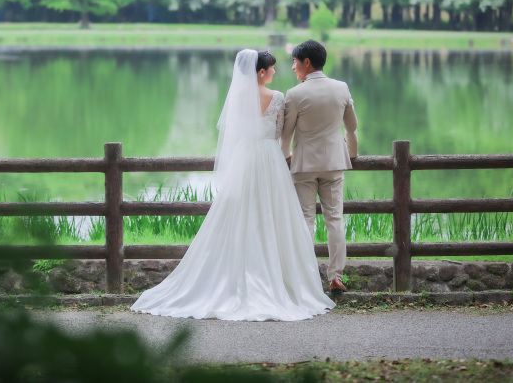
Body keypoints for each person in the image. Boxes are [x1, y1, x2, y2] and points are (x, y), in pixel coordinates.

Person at [130, 49, 334, 321]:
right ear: (261, 72)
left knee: (241, 215)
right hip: (270, 160)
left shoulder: (237, 98)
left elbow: (234, 134)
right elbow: (278, 133)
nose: (275, 71)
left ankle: (236, 275)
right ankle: (278, 279)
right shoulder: (277, 97)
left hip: (244, 159)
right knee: (272, 215)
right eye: (272, 68)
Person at [281, 40, 358, 296]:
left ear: (306, 62)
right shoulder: (341, 87)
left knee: (306, 220)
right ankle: (336, 277)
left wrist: (285, 157)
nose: (293, 67)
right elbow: (351, 127)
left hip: (304, 165)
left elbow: (286, 134)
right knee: (335, 219)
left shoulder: (295, 94)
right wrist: (352, 154)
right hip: (334, 163)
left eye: (295, 62)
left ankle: (306, 277)